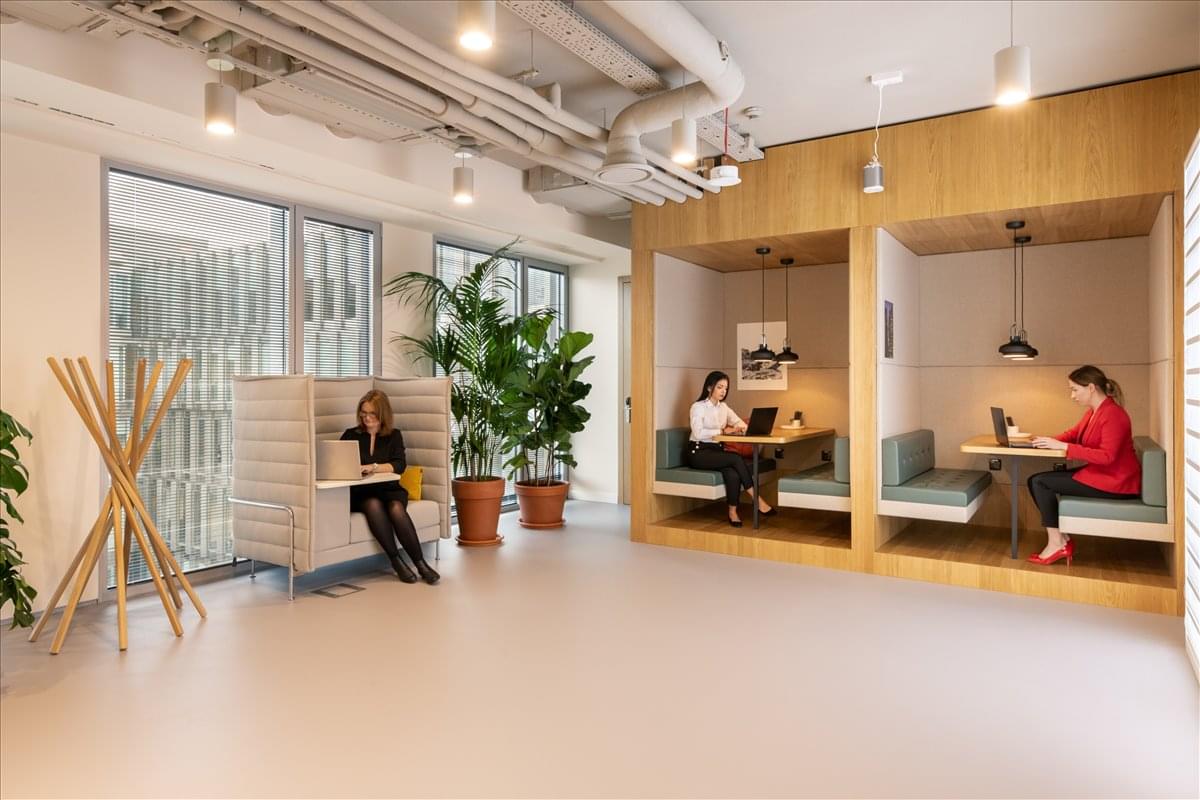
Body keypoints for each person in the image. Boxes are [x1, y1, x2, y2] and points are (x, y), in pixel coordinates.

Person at [1026, 365, 1141, 565]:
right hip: (1104, 475)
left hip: (1117, 483)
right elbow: (1073, 434)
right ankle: (1060, 539)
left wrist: (1063, 447)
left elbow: (1107, 456)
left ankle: (1057, 542)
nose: (1072, 396)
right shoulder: (1094, 412)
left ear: (1091, 388)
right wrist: (1045, 441)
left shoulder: (1114, 414)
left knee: (1040, 482)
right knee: (1035, 480)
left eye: (1074, 390)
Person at [340, 389, 440, 585]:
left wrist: (373, 467)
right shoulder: (351, 435)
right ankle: (396, 561)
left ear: (382, 414)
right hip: (362, 492)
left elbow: (400, 465)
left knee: (396, 508)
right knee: (372, 505)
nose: (367, 418)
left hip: (389, 489)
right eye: (363, 413)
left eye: (372, 414)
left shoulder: (394, 435)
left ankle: (420, 564)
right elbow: (339, 463)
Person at [686, 370, 776, 527]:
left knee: (733, 473)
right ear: (709, 387)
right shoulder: (698, 407)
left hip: (717, 452)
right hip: (698, 452)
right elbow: (698, 433)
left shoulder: (724, 407)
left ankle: (732, 512)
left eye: (726, 388)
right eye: (719, 387)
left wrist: (743, 428)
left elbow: (739, 422)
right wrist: (722, 431)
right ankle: (757, 500)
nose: (723, 391)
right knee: (735, 458)